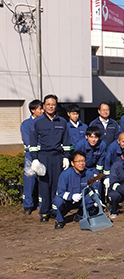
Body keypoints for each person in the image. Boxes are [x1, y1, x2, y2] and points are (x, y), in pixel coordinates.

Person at [30, 94, 71, 222]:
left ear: (56, 105)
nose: (51, 107)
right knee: (44, 185)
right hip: (43, 156)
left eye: (53, 104)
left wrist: (66, 157)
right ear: (43, 106)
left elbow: (66, 143)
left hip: (57, 156)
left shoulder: (63, 122)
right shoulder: (37, 122)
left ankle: (55, 210)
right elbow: (33, 143)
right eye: (48, 104)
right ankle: (44, 212)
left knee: (56, 185)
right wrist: (35, 159)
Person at [52, 151, 102, 229]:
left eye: (83, 161)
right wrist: (71, 196)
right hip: (68, 202)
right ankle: (60, 220)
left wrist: (97, 198)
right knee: (58, 201)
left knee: (91, 199)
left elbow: (94, 188)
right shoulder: (65, 174)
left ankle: (80, 215)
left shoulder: (89, 174)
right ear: (72, 163)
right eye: (78, 161)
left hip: (82, 201)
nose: (81, 163)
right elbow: (60, 192)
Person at [21, 99, 44, 215]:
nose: (42, 110)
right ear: (33, 110)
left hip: (43, 154)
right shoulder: (26, 124)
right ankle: (28, 205)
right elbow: (27, 140)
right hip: (30, 155)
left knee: (43, 179)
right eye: (40, 108)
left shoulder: (45, 122)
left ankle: (43, 204)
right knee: (29, 180)